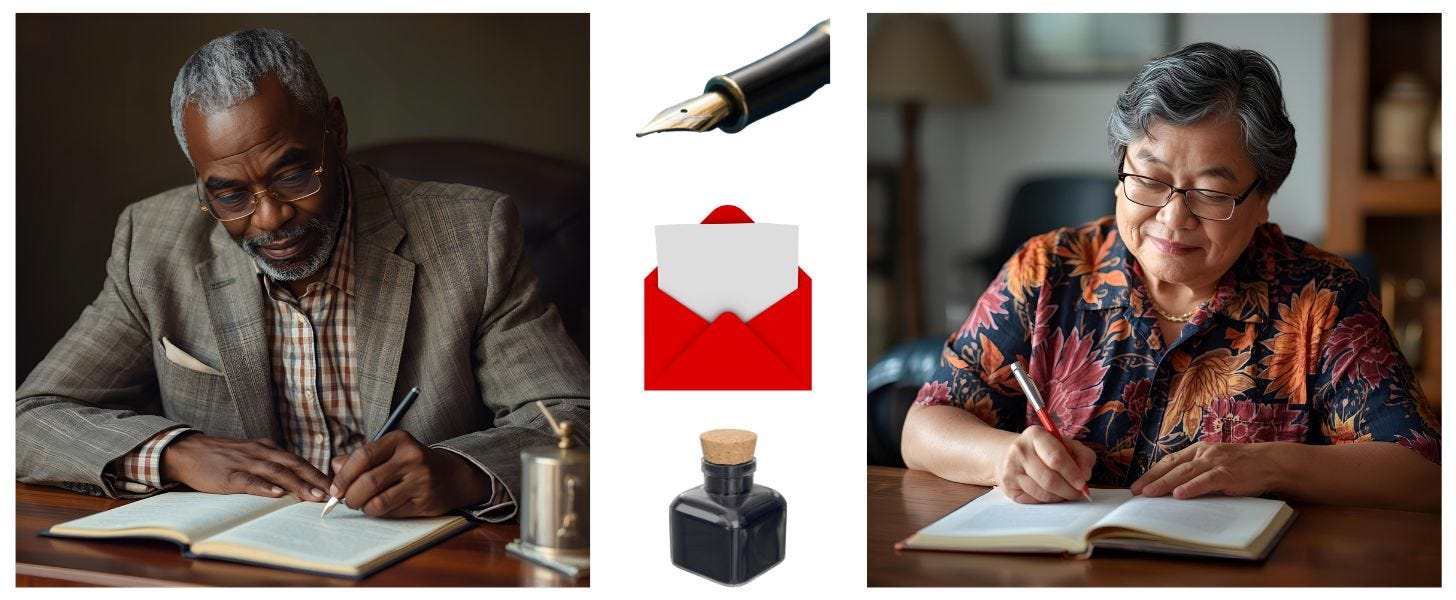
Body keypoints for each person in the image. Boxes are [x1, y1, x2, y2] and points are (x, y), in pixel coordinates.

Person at [15, 29, 588, 522]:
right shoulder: (153, 244)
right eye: (230, 193)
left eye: (293, 176)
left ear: (334, 130)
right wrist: (176, 453)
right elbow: (27, 419)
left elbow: (576, 423)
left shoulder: (470, 236)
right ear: (201, 181)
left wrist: (461, 473)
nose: (269, 218)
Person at [902, 42, 1440, 512]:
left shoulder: (1322, 296)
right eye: (1151, 180)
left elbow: (1420, 472)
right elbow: (924, 427)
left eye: (1210, 193)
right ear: (1120, 173)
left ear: (1262, 203)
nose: (1173, 217)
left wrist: (1273, 466)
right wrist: (1005, 457)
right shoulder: (1048, 270)